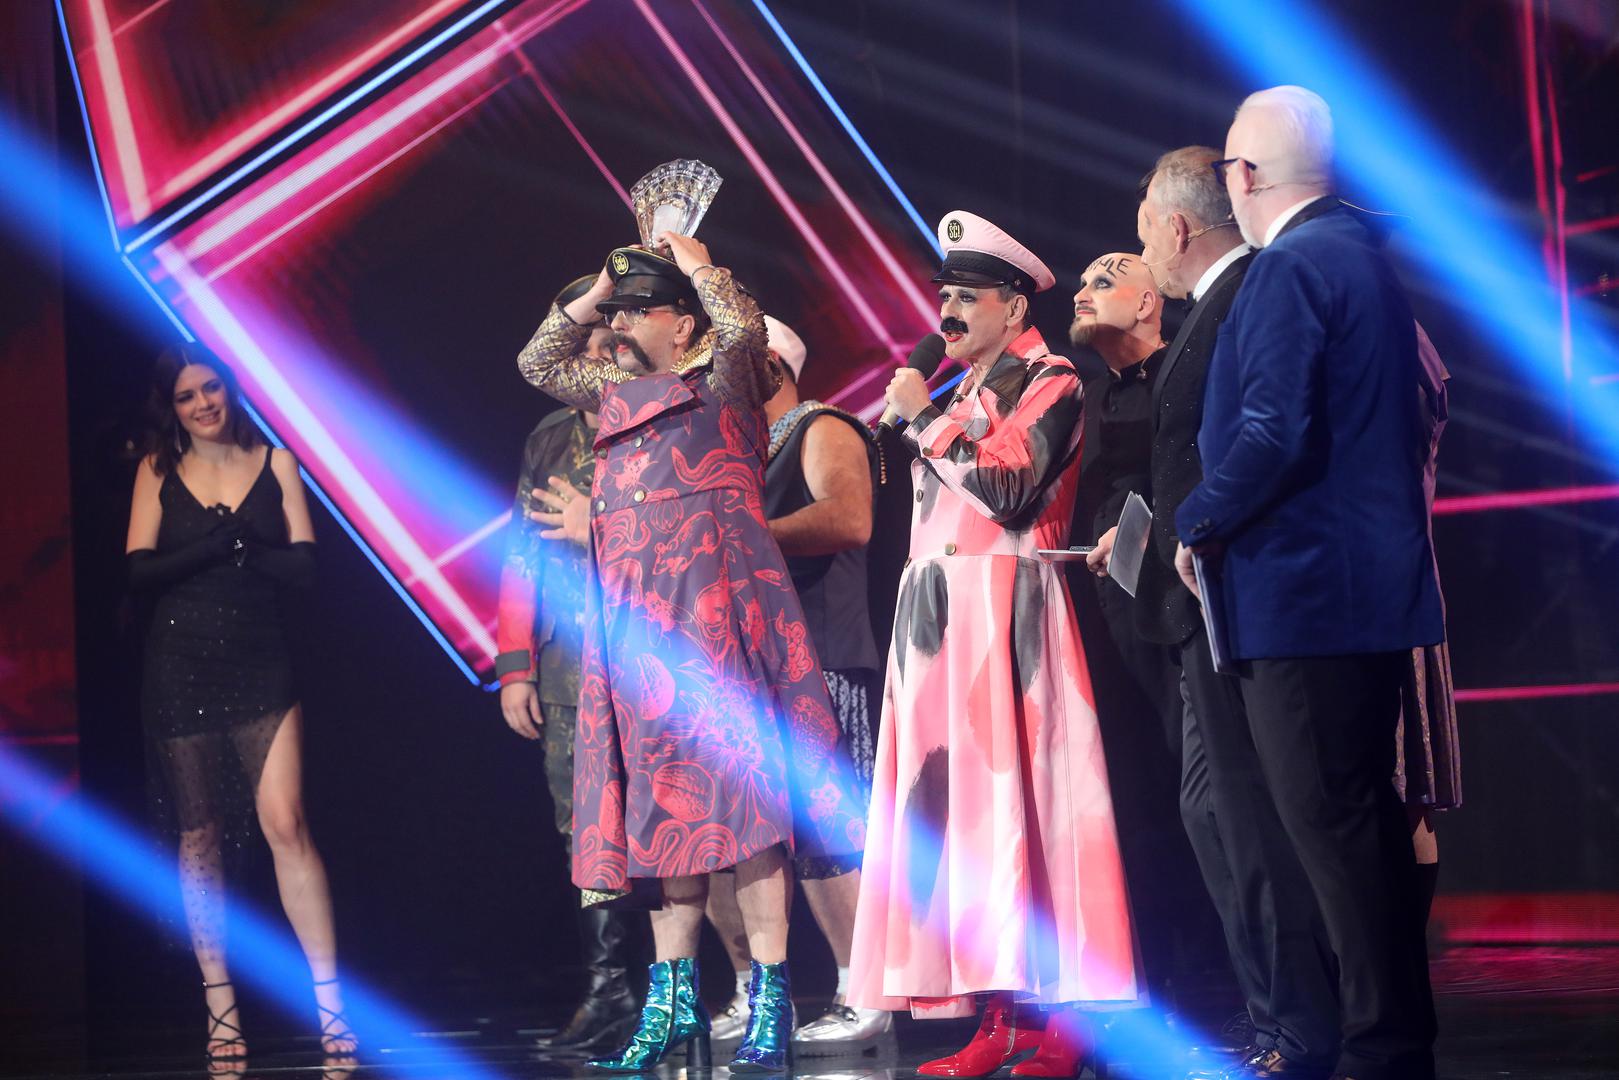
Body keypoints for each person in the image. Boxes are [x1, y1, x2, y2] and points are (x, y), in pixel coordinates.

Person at [515, 235, 866, 1074]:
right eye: (616, 313)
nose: (619, 324)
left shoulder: (727, 382)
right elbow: (537, 359)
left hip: (722, 628)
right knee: (660, 820)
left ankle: (773, 1001)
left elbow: (741, 330)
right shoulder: (611, 395)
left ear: (682, 323)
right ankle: (672, 1003)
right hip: (641, 638)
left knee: (749, 818)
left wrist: (698, 263)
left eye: (638, 311)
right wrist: (603, 284)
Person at [1174, 87, 1445, 1080]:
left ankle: (1381, 1049)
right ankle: (1392, 1043)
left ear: (1245, 177)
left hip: (1299, 599)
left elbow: (1269, 432)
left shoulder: (1291, 265)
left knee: (1332, 836)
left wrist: (1195, 521)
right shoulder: (1361, 256)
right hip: (1360, 596)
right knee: (1361, 828)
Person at [848, 211, 1142, 1079]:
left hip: (1006, 611)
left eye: (966, 297)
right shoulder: (960, 395)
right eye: (943, 296)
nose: (947, 312)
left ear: (1013, 307)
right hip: (937, 624)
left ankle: (1067, 1023)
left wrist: (920, 423)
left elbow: (1007, 487)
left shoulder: (1052, 379)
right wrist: (920, 421)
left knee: (1032, 812)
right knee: (965, 828)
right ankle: (1000, 1015)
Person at [1129, 146, 1343, 1079]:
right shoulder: (1213, 309)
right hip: (1197, 600)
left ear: (1175, 226)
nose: (1142, 246)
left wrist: (1197, 526)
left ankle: (1300, 1024)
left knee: (1246, 818)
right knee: (1212, 813)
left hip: (1234, 593)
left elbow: (1257, 440)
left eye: (1143, 225)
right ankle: (1277, 1015)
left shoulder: (1246, 296)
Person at [125, 343, 355, 1066]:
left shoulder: (276, 461)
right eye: (187, 395)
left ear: (228, 389)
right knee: (200, 837)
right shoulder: (157, 469)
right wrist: (209, 548)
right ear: (172, 407)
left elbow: (307, 568)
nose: (203, 404)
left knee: (286, 822)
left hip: (261, 664)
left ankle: (331, 1008)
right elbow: (138, 572)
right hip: (181, 666)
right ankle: (220, 1010)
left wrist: (246, 547)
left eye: (211, 388)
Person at [701, 317, 892, 1056]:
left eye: (728, 366)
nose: (715, 381)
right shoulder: (742, 452)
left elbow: (849, 518)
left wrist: (743, 530)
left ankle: (862, 991)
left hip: (824, 659)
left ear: (772, 365)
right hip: (757, 668)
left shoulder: (822, 425)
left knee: (827, 830)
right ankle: (757, 992)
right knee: (737, 835)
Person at [494, 276, 641, 1056]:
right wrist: (515, 663)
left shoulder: (657, 419)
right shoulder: (549, 436)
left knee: (675, 818)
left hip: (650, 650)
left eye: (610, 328)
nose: (598, 344)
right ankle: (609, 991)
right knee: (583, 828)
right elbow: (522, 551)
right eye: (585, 333)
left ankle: (701, 988)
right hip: (565, 659)